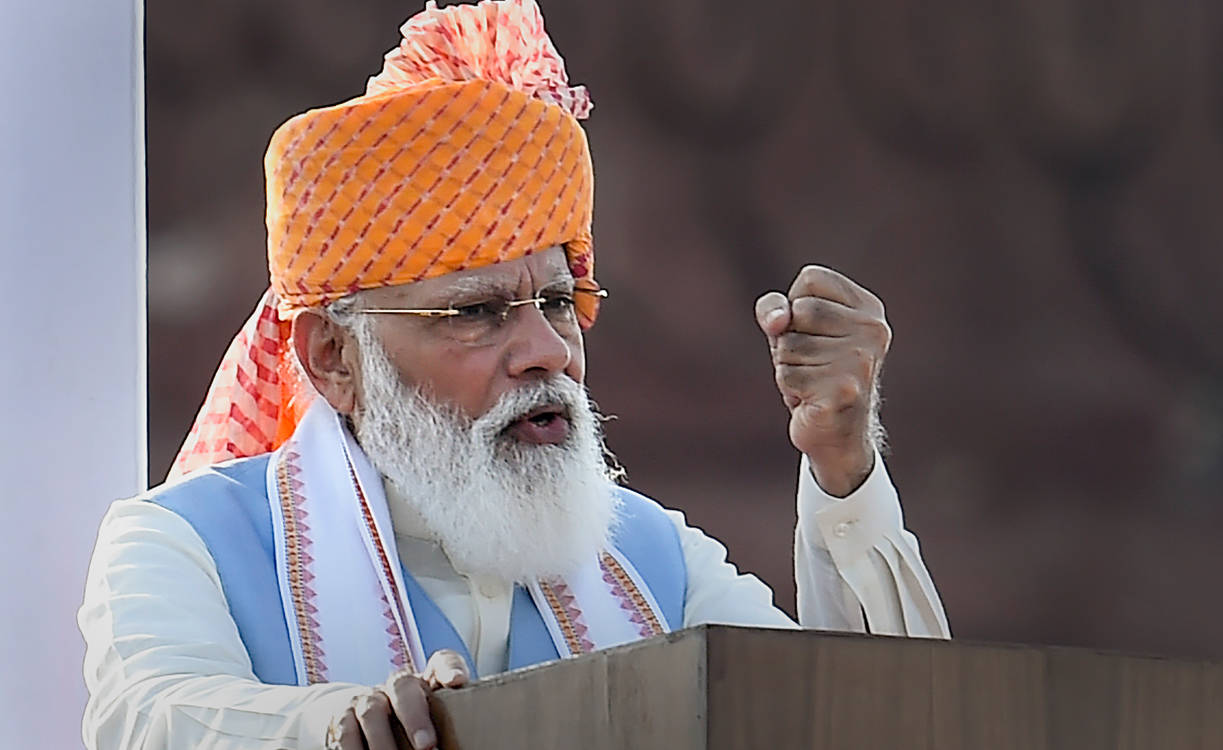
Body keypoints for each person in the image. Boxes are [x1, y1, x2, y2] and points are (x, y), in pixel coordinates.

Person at [78, 1, 950, 748]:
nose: (550, 351)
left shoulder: (656, 563)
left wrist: (844, 469)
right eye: (477, 311)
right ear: (333, 359)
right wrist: (343, 724)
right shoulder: (184, 543)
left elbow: (856, 727)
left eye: (561, 302)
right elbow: (154, 715)